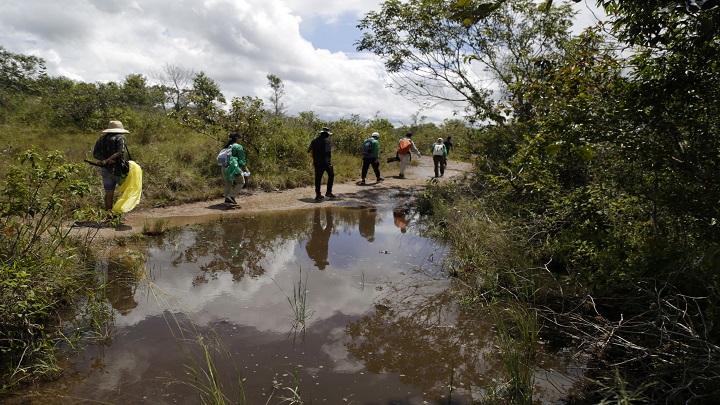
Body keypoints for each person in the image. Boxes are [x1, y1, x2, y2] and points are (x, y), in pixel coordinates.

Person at [92, 120, 131, 211]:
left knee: (109, 193)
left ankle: (109, 215)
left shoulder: (101, 139)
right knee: (125, 191)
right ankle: (119, 212)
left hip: (105, 170)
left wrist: (105, 160)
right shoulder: (121, 138)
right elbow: (120, 152)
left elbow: (95, 154)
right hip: (118, 170)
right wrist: (110, 159)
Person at [308, 127, 335, 200]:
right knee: (331, 175)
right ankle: (328, 192)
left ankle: (318, 194)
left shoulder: (314, 141)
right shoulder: (327, 141)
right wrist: (329, 163)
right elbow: (328, 152)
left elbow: (309, 150)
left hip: (317, 162)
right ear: (326, 134)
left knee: (318, 178)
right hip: (325, 162)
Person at [222, 132, 249, 205]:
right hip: (233, 168)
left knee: (228, 182)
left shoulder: (227, 146)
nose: (240, 140)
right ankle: (231, 196)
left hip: (224, 167)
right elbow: (241, 160)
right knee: (241, 182)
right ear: (236, 138)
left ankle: (227, 200)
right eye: (239, 138)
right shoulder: (238, 147)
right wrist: (245, 168)